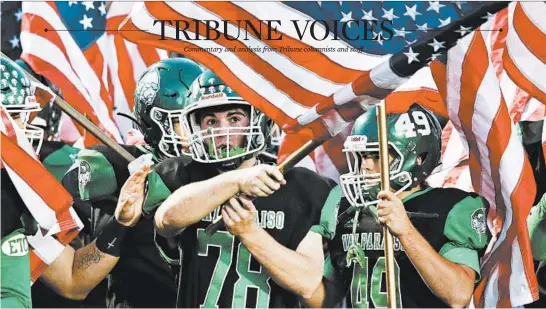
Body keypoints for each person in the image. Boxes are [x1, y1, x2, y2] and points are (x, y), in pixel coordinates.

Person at [152, 69, 337, 308]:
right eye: (211, 121)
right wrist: (238, 180)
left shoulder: (301, 187)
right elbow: (167, 219)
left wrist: (250, 232)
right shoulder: (180, 174)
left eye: (234, 118)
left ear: (260, 121)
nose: (222, 131)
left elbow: (307, 282)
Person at [302, 104, 490, 308]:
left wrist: (406, 232)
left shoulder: (449, 208)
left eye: (376, 156)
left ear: (417, 158)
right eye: (363, 156)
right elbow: (328, 297)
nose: (365, 166)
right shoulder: (349, 212)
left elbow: (458, 295)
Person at [0, 57, 151, 307]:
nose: (25, 128)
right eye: (13, 116)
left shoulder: (20, 191)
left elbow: (73, 279)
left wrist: (120, 223)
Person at [61, 57, 203, 307]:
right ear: (154, 122)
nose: (197, 132)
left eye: (202, 120)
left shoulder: (224, 174)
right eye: (184, 121)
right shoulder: (112, 167)